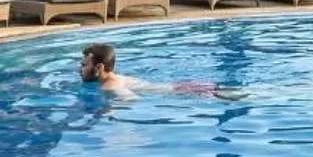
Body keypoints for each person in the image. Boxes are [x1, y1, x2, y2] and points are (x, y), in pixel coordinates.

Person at [78, 42, 243, 99]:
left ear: (99, 67)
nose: (80, 69)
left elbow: (130, 98)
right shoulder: (115, 78)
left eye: (84, 65)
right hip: (181, 87)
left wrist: (106, 111)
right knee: (239, 93)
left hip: (183, 92)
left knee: (235, 97)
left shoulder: (110, 86)